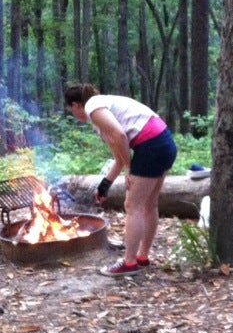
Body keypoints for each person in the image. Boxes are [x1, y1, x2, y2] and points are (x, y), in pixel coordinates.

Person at [64, 83, 178, 277]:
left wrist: (129, 167)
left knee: (132, 206)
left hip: (150, 146)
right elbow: (118, 157)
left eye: (71, 110)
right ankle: (142, 257)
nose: (73, 114)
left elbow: (120, 135)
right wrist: (105, 185)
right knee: (149, 204)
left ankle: (129, 263)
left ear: (75, 105)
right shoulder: (103, 110)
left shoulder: (93, 105)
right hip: (164, 142)